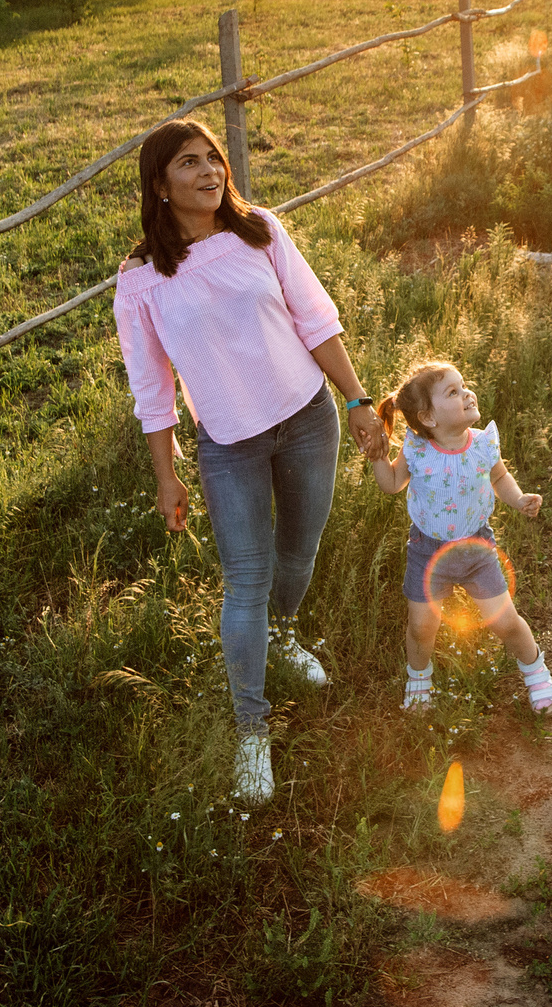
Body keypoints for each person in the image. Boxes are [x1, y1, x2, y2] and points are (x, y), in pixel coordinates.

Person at [114, 119, 386, 805]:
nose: (210, 171)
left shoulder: (259, 229)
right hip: (228, 443)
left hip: (306, 418)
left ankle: (284, 633)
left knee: (298, 553)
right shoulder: (141, 279)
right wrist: (165, 472)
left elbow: (315, 318)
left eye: (213, 157)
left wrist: (357, 400)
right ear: (159, 184)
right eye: (188, 162)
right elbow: (152, 387)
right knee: (246, 577)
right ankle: (251, 730)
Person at [368, 360, 552, 716]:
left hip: (477, 550)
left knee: (504, 621)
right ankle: (419, 679)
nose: (466, 392)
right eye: (453, 392)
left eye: (463, 385)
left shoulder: (483, 444)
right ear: (428, 418)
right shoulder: (417, 449)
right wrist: (378, 456)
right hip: (428, 552)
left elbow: (500, 478)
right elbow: (392, 484)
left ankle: (535, 670)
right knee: (422, 625)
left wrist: (518, 499)